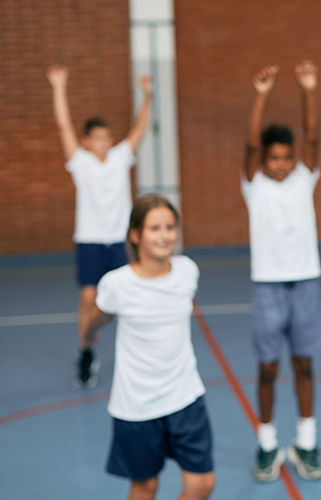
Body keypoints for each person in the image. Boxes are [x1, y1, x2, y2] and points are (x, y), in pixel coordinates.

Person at [85, 194, 215, 500]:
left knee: (202, 485)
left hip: (185, 396)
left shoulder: (187, 271)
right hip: (137, 406)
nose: (165, 235)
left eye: (170, 227)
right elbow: (97, 317)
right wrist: (89, 334)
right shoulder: (117, 284)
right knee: (145, 488)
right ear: (135, 235)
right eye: (154, 228)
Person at [241, 61, 321, 481]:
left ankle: (306, 442)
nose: (280, 164)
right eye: (274, 157)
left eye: (287, 158)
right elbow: (250, 143)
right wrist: (262, 94)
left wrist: (308, 91)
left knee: (304, 364)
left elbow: (312, 136)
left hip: (305, 284)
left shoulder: (303, 179)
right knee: (268, 369)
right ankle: (267, 443)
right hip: (267, 289)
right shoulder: (254, 186)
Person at [47, 64, 154, 389]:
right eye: (98, 138)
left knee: (128, 297)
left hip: (119, 242)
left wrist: (148, 95)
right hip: (90, 241)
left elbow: (139, 127)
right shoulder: (80, 163)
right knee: (88, 298)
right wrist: (59, 87)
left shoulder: (121, 157)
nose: (105, 142)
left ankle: (138, 355)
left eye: (108, 137)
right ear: (86, 142)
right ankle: (86, 351)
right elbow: (63, 126)